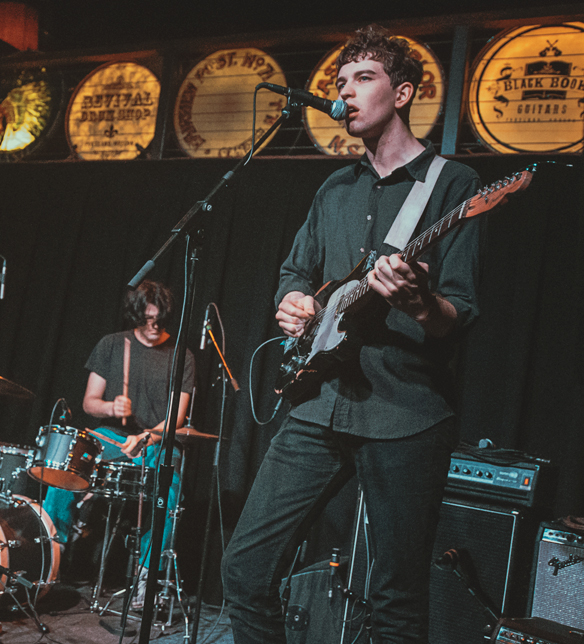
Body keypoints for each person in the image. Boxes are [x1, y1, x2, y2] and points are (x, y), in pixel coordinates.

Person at [222, 25, 481, 643]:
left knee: (396, 600)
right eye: (342, 82)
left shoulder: (453, 185)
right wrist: (291, 302)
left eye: (364, 78)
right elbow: (296, 272)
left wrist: (420, 304)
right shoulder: (334, 188)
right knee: (245, 571)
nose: (346, 92)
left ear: (403, 93)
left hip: (407, 413)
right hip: (319, 401)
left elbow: (461, 312)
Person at [42, 280, 195, 608]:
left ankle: (147, 576)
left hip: (155, 440)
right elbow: (89, 402)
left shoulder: (182, 355)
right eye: (147, 320)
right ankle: (51, 557)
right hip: (111, 436)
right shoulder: (111, 344)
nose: (154, 327)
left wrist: (146, 437)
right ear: (136, 315)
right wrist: (111, 408)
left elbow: (176, 418)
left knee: (170, 487)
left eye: (160, 320)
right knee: (65, 466)